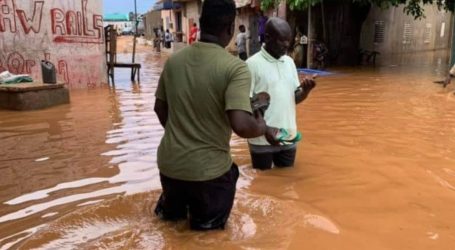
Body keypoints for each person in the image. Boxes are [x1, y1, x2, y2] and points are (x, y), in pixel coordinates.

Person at [154, 0, 274, 230]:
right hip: (209, 174)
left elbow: (160, 110)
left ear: (200, 23)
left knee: (170, 228)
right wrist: (261, 126)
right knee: (208, 238)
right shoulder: (235, 67)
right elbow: (241, 125)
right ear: (230, 28)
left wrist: (183, 135)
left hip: (170, 166)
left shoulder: (174, 62)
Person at [246, 17, 316, 170]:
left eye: (288, 41)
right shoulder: (251, 65)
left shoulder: (289, 62)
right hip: (261, 140)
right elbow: (245, 105)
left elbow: (293, 99)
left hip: (287, 136)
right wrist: (265, 129)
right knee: (262, 185)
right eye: (281, 41)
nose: (286, 45)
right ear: (268, 38)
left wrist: (305, 90)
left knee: (285, 183)